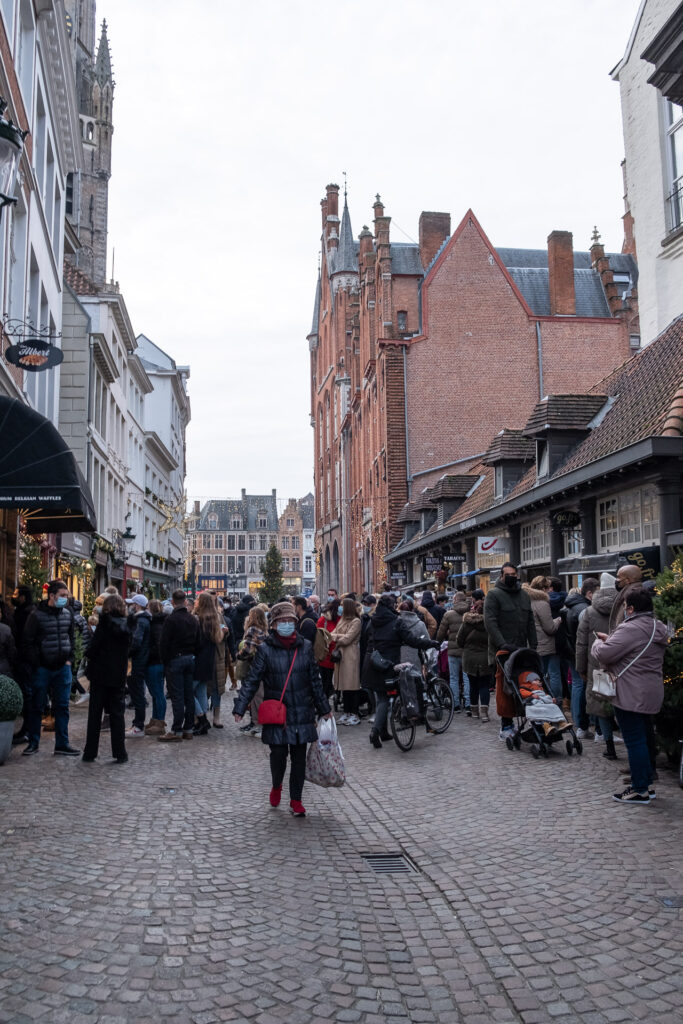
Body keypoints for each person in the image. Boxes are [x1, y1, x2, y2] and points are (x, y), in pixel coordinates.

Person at [233, 601, 331, 817]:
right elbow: (252, 679)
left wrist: (324, 707)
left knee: (298, 758)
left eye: (290, 621)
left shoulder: (305, 647)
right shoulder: (265, 649)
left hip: (302, 710)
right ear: (274, 624)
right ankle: (276, 784)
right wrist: (241, 706)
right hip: (277, 712)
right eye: (282, 621)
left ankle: (296, 800)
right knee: (278, 755)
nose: (287, 624)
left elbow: (315, 681)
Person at [591, 586, 667, 803]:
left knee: (634, 741)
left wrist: (598, 642)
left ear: (631, 608)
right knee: (645, 737)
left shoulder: (631, 628)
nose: (624, 610)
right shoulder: (657, 626)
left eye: (625, 606)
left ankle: (639, 789)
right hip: (651, 690)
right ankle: (646, 784)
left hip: (630, 692)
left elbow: (604, 653)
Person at [362, 594, 436, 749]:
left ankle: (383, 732)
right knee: (384, 699)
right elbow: (412, 640)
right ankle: (375, 732)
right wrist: (430, 643)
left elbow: (366, 639)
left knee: (380, 697)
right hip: (388, 664)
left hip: (371, 662)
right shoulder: (396, 622)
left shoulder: (373, 620)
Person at [21, 580, 79, 757]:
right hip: (43, 669)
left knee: (62, 707)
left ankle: (62, 743)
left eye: (66, 595)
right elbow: (27, 642)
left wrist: (69, 660)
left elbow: (71, 638)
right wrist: (37, 663)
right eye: (62, 595)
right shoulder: (36, 616)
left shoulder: (67, 613)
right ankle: (33, 742)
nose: (65, 599)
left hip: (63, 668)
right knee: (37, 706)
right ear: (52, 596)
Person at [484, 562, 537, 740]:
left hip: (522, 649)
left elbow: (530, 620)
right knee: (505, 689)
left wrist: (534, 645)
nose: (512, 577)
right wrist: (502, 644)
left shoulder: (524, 595)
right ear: (501, 575)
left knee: (527, 684)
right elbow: (490, 622)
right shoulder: (493, 595)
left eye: (514, 574)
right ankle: (506, 725)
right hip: (503, 651)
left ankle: (534, 721)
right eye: (509, 574)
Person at [82, 593, 134, 764]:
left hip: (100, 674)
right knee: (117, 715)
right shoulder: (127, 625)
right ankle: (120, 753)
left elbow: (94, 647)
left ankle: (90, 752)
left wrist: (89, 653)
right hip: (118, 675)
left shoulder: (105, 623)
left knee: (95, 714)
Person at [575, 576, 620, 759]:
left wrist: (581, 668)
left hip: (597, 664)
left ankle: (609, 745)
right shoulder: (623, 608)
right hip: (621, 664)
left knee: (602, 703)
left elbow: (582, 643)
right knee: (623, 704)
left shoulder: (589, 612)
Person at [158, 589, 201, 742]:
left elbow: (163, 643)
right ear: (185, 602)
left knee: (177, 696)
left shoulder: (171, 620)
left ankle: (176, 730)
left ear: (173, 602)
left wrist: (165, 660)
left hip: (175, 659)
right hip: (190, 658)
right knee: (189, 695)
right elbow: (198, 641)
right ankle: (188, 729)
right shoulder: (192, 619)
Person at [564, 577, 599, 737]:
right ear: (590, 593)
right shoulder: (584, 609)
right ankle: (583, 724)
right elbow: (585, 635)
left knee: (578, 685)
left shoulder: (572, 605)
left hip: (571, 650)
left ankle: (580, 723)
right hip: (579, 652)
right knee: (582, 686)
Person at [523, 576, 563, 706]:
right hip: (546, 645)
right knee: (554, 674)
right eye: (549, 588)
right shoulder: (542, 603)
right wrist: (558, 620)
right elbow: (549, 628)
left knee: (537, 676)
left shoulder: (526, 601)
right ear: (544, 588)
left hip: (532, 644)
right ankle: (556, 701)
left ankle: (540, 699)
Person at [456, 599, 492, 721]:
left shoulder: (467, 623)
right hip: (485, 658)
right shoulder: (489, 623)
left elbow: (459, 640)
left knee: (473, 685)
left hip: (469, 658)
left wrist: (467, 648)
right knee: (484, 685)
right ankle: (485, 713)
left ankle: (475, 712)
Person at [236, 604, 269, 735]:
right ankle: (256, 722)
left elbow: (248, 650)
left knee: (256, 696)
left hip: (254, 665)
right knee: (258, 695)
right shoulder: (264, 630)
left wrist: (239, 655)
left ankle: (258, 723)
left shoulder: (252, 630)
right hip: (262, 666)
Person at [192, 592, 222, 735]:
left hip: (198, 659)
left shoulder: (199, 619)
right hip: (209, 659)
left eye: (198, 599)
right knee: (201, 691)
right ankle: (202, 724)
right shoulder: (214, 619)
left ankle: (202, 719)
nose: (195, 601)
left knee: (187, 691)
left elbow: (195, 641)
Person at [436, 590, 472, 711]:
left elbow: (441, 633)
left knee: (454, 678)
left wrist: (437, 643)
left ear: (455, 600)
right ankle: (468, 704)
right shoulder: (470, 613)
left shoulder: (449, 614)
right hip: (467, 650)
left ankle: (455, 704)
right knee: (467, 678)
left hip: (453, 651)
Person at [331, 597, 362, 725]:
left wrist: (337, 637)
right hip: (341, 655)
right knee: (343, 685)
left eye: (342, 605)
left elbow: (348, 639)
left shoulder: (356, 621)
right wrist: (339, 636)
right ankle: (347, 712)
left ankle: (354, 713)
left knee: (351, 685)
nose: (340, 608)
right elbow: (331, 634)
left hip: (350, 655)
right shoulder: (342, 620)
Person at [9, 585, 34, 744]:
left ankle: (28, 730)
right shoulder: (24, 612)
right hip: (23, 660)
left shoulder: (26, 613)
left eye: (16, 594)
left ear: (23, 597)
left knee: (27, 695)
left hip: (25, 661)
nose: (13, 596)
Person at [126, 594, 151, 737]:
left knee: (137, 694)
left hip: (137, 661)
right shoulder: (143, 620)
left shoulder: (141, 621)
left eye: (132, 604)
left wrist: (127, 652)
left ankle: (138, 726)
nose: (131, 606)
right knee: (137, 692)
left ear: (137, 605)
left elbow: (136, 641)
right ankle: (137, 724)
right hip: (139, 660)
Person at [144, 599, 167, 735]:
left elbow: (158, 645)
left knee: (158, 693)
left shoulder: (156, 625)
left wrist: (148, 653)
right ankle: (155, 719)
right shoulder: (159, 623)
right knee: (155, 693)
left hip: (155, 662)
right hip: (157, 662)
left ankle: (160, 722)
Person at [608, 564, 643, 633]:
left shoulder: (633, 596)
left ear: (627, 580)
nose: (617, 580)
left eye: (618, 577)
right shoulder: (628, 593)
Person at [316, 601, 340, 697]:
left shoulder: (342, 619)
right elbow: (318, 636)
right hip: (326, 654)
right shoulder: (323, 620)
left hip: (338, 654)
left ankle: (335, 695)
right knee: (326, 680)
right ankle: (325, 699)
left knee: (337, 680)